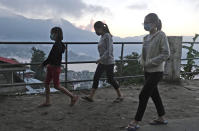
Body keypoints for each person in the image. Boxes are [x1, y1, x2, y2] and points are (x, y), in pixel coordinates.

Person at [127, 13, 170, 131]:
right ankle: (161, 117)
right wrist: (141, 60)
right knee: (154, 94)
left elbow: (166, 53)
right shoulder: (145, 38)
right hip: (147, 71)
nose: (145, 25)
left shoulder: (161, 35)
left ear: (155, 23)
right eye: (144, 22)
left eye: (148, 22)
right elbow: (144, 55)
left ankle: (136, 121)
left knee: (143, 95)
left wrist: (151, 62)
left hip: (156, 71)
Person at [82, 21, 123, 103]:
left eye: (96, 29)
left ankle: (120, 95)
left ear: (100, 28)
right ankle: (91, 97)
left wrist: (100, 59)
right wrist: (101, 59)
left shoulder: (107, 36)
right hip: (103, 62)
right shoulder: (102, 36)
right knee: (96, 77)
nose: (95, 31)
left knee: (110, 79)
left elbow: (109, 51)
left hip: (109, 62)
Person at [39, 27, 78, 107]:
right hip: (51, 67)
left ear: (56, 34)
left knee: (57, 86)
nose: (51, 35)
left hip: (55, 68)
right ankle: (47, 101)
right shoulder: (59, 44)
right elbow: (52, 57)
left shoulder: (57, 45)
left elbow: (51, 57)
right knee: (46, 83)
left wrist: (43, 64)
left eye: (52, 33)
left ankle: (73, 96)